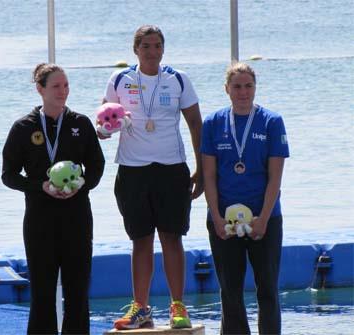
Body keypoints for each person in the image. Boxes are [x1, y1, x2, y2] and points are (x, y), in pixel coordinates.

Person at [102, 25, 203, 330]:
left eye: (157, 45)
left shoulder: (178, 79)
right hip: (133, 171)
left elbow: (196, 125)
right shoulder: (120, 79)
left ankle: (178, 306)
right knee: (140, 240)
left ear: (163, 48)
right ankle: (141, 307)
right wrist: (105, 130)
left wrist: (200, 169)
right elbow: (105, 122)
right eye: (145, 46)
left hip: (172, 169)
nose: (151, 51)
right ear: (136, 49)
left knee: (172, 238)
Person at [2, 63, 105, 334]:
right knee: (43, 294)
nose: (63, 91)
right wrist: (40, 186)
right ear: (40, 89)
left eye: (66, 85)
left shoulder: (80, 124)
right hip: (40, 220)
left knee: (78, 293)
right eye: (56, 86)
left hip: (77, 218)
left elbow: (97, 166)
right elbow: (9, 175)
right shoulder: (24, 127)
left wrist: (81, 185)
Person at [201, 62, 289, 334]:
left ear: (255, 87)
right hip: (223, 220)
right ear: (227, 89)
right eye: (237, 86)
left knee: (268, 290)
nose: (243, 92)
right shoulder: (213, 123)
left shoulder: (272, 121)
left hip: (265, 218)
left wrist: (263, 217)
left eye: (248, 86)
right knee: (230, 292)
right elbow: (209, 176)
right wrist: (215, 217)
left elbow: (275, 177)